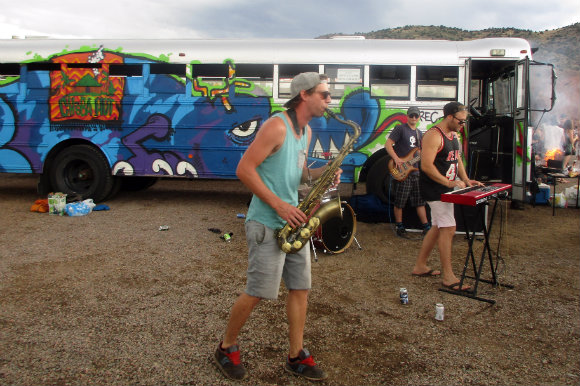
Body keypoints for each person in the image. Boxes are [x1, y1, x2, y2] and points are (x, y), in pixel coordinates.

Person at [214, 72, 339, 381]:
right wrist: (279, 204)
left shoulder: (306, 131)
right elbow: (244, 169)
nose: (329, 100)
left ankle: (296, 356)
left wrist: (324, 171)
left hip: (294, 222)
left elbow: (296, 174)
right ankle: (225, 347)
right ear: (305, 96)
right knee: (257, 292)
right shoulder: (276, 126)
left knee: (300, 289)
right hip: (268, 222)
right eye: (324, 94)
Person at [411, 101, 482, 289]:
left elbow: (456, 158)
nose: (462, 125)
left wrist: (466, 180)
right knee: (449, 228)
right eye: (460, 121)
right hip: (435, 190)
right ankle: (448, 277)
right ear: (449, 116)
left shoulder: (454, 134)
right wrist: (449, 183)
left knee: (437, 226)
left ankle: (420, 266)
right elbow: (426, 166)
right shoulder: (433, 135)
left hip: (447, 188)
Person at [384, 106, 431, 238]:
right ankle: (399, 226)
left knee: (419, 201)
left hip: (415, 171)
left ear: (419, 117)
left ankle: (426, 226)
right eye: (411, 116)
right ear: (407, 116)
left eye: (416, 116)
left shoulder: (419, 133)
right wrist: (397, 159)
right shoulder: (400, 129)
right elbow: (388, 144)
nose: (414, 118)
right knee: (400, 201)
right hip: (403, 173)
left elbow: (420, 153)